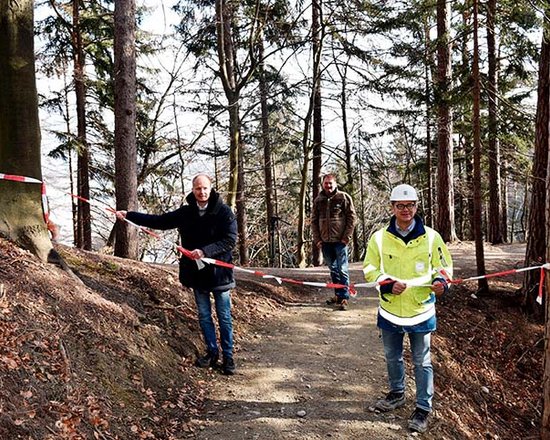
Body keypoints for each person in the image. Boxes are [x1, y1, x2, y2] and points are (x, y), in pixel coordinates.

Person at [116, 174, 238, 375]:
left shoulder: (224, 212)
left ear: (211, 188)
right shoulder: (186, 212)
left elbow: (230, 240)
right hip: (197, 275)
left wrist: (205, 251)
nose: (202, 192)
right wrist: (129, 215)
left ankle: (228, 356)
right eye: (198, 188)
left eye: (205, 188)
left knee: (224, 317)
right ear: (193, 190)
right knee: (204, 316)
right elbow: (159, 221)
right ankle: (211, 352)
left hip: (220, 275)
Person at [362, 184, 453, 433]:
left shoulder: (432, 237)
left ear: (416, 206)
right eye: (400, 206)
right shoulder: (379, 238)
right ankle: (397, 393)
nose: (406, 210)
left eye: (410, 205)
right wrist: (387, 284)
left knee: (422, 361)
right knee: (392, 356)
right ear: (392, 207)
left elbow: (444, 267)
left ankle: (423, 408)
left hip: (421, 311)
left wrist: (441, 282)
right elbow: (369, 268)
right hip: (390, 310)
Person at [311, 173, 357, 311]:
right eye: (326, 183)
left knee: (342, 270)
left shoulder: (343, 197)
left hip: (340, 241)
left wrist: (346, 237)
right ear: (322, 184)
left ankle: (344, 298)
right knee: (333, 270)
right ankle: (337, 295)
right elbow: (313, 221)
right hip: (325, 242)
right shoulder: (318, 200)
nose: (328, 186)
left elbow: (352, 218)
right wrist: (318, 240)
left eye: (330, 183)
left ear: (335, 184)